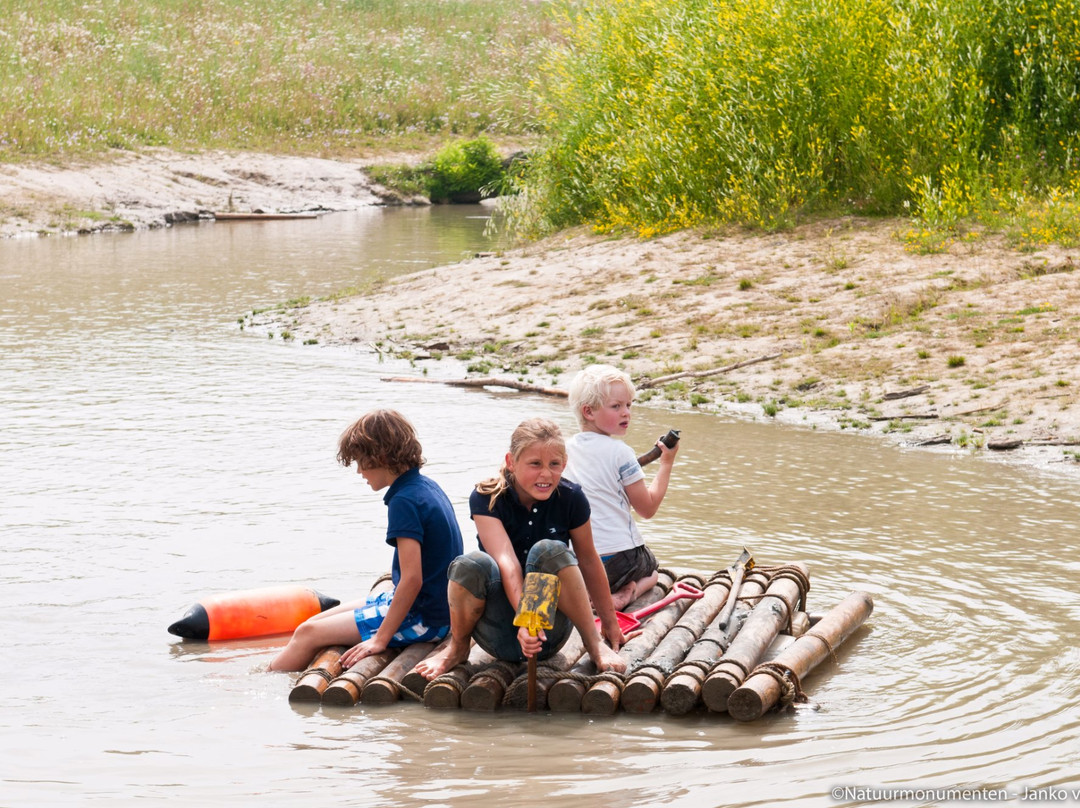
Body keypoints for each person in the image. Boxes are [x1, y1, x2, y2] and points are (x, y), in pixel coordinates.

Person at [415, 417, 626, 680]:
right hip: (497, 630)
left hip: (547, 632)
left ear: (565, 464)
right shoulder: (486, 496)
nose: (546, 474)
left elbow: (589, 560)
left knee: (548, 550)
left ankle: (594, 644)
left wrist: (610, 624)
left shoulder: (571, 498)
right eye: (535, 464)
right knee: (471, 563)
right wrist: (523, 620)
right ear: (511, 462)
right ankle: (457, 648)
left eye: (554, 464)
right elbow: (506, 560)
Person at [269, 409, 463, 672]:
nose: (359, 471)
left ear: (380, 456)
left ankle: (267, 684)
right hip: (436, 610)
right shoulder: (424, 486)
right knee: (309, 624)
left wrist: (380, 639)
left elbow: (412, 579)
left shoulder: (404, 501)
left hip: (423, 619)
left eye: (361, 461)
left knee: (308, 634)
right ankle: (275, 672)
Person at [563, 364, 679, 611]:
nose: (626, 412)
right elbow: (647, 509)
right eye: (616, 406)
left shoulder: (563, 451)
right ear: (588, 411)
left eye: (629, 405)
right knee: (653, 572)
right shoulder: (621, 453)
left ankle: (588, 592)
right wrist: (666, 463)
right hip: (620, 562)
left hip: (577, 563)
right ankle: (629, 592)